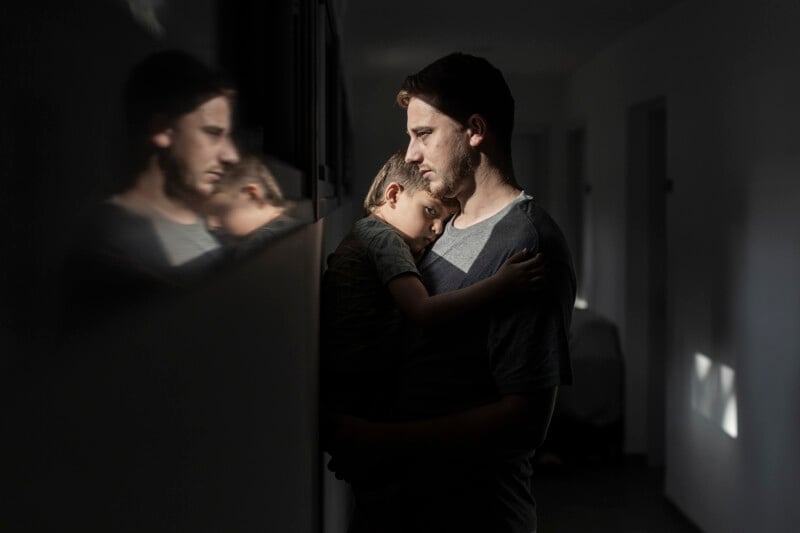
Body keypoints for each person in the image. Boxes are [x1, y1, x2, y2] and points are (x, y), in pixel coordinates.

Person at [326, 53, 576, 533]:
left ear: (475, 130)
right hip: (398, 504)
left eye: (423, 134)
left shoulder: (528, 244)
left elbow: (523, 422)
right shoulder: (439, 225)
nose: (412, 153)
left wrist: (381, 441)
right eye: (410, 137)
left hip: (472, 516)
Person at [320, 149, 544, 425]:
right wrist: (500, 284)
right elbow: (423, 310)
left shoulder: (365, 231)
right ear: (393, 195)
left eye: (444, 220)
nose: (438, 228)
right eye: (430, 211)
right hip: (362, 386)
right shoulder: (386, 240)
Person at [63, 49, 240, 328]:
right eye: (213, 132)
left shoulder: (213, 221)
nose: (231, 155)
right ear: (162, 130)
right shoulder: (112, 244)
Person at [204, 153, 302, 256]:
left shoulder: (260, 246)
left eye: (220, 211)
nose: (211, 225)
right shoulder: (296, 229)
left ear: (252, 195)